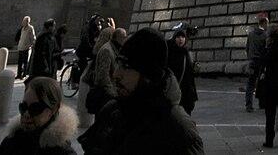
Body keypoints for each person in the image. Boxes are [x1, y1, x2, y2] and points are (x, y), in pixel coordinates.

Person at [77, 27, 204, 155]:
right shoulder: (112, 111)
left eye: (126, 67)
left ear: (148, 75)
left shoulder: (178, 128)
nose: (116, 74)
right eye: (118, 64)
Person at [0, 75, 79, 155]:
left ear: (53, 110)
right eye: (23, 107)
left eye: (35, 108)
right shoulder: (11, 141)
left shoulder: (62, 152)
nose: (26, 114)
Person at [83, 26, 121, 117]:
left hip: (99, 88)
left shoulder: (101, 47)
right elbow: (103, 75)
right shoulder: (106, 50)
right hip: (103, 91)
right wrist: (112, 92)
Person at [166, 25, 197, 116]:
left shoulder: (186, 52)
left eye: (183, 37)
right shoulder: (170, 52)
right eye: (178, 37)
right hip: (174, 89)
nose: (181, 39)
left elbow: (190, 75)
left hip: (186, 91)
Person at [244, 12, 269, 113]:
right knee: (262, 83)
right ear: (264, 23)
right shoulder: (265, 35)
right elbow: (266, 51)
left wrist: (250, 57)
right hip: (261, 63)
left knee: (250, 84)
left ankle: (248, 105)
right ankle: (262, 103)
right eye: (267, 23)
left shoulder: (251, 34)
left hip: (252, 62)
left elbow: (247, 48)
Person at [15, 16, 36, 80]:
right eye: (23, 21)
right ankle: (19, 74)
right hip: (21, 47)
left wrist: (31, 44)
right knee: (20, 62)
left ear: (27, 22)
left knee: (25, 62)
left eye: (24, 21)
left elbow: (33, 37)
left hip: (26, 47)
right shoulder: (22, 28)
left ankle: (24, 74)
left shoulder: (30, 28)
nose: (23, 22)